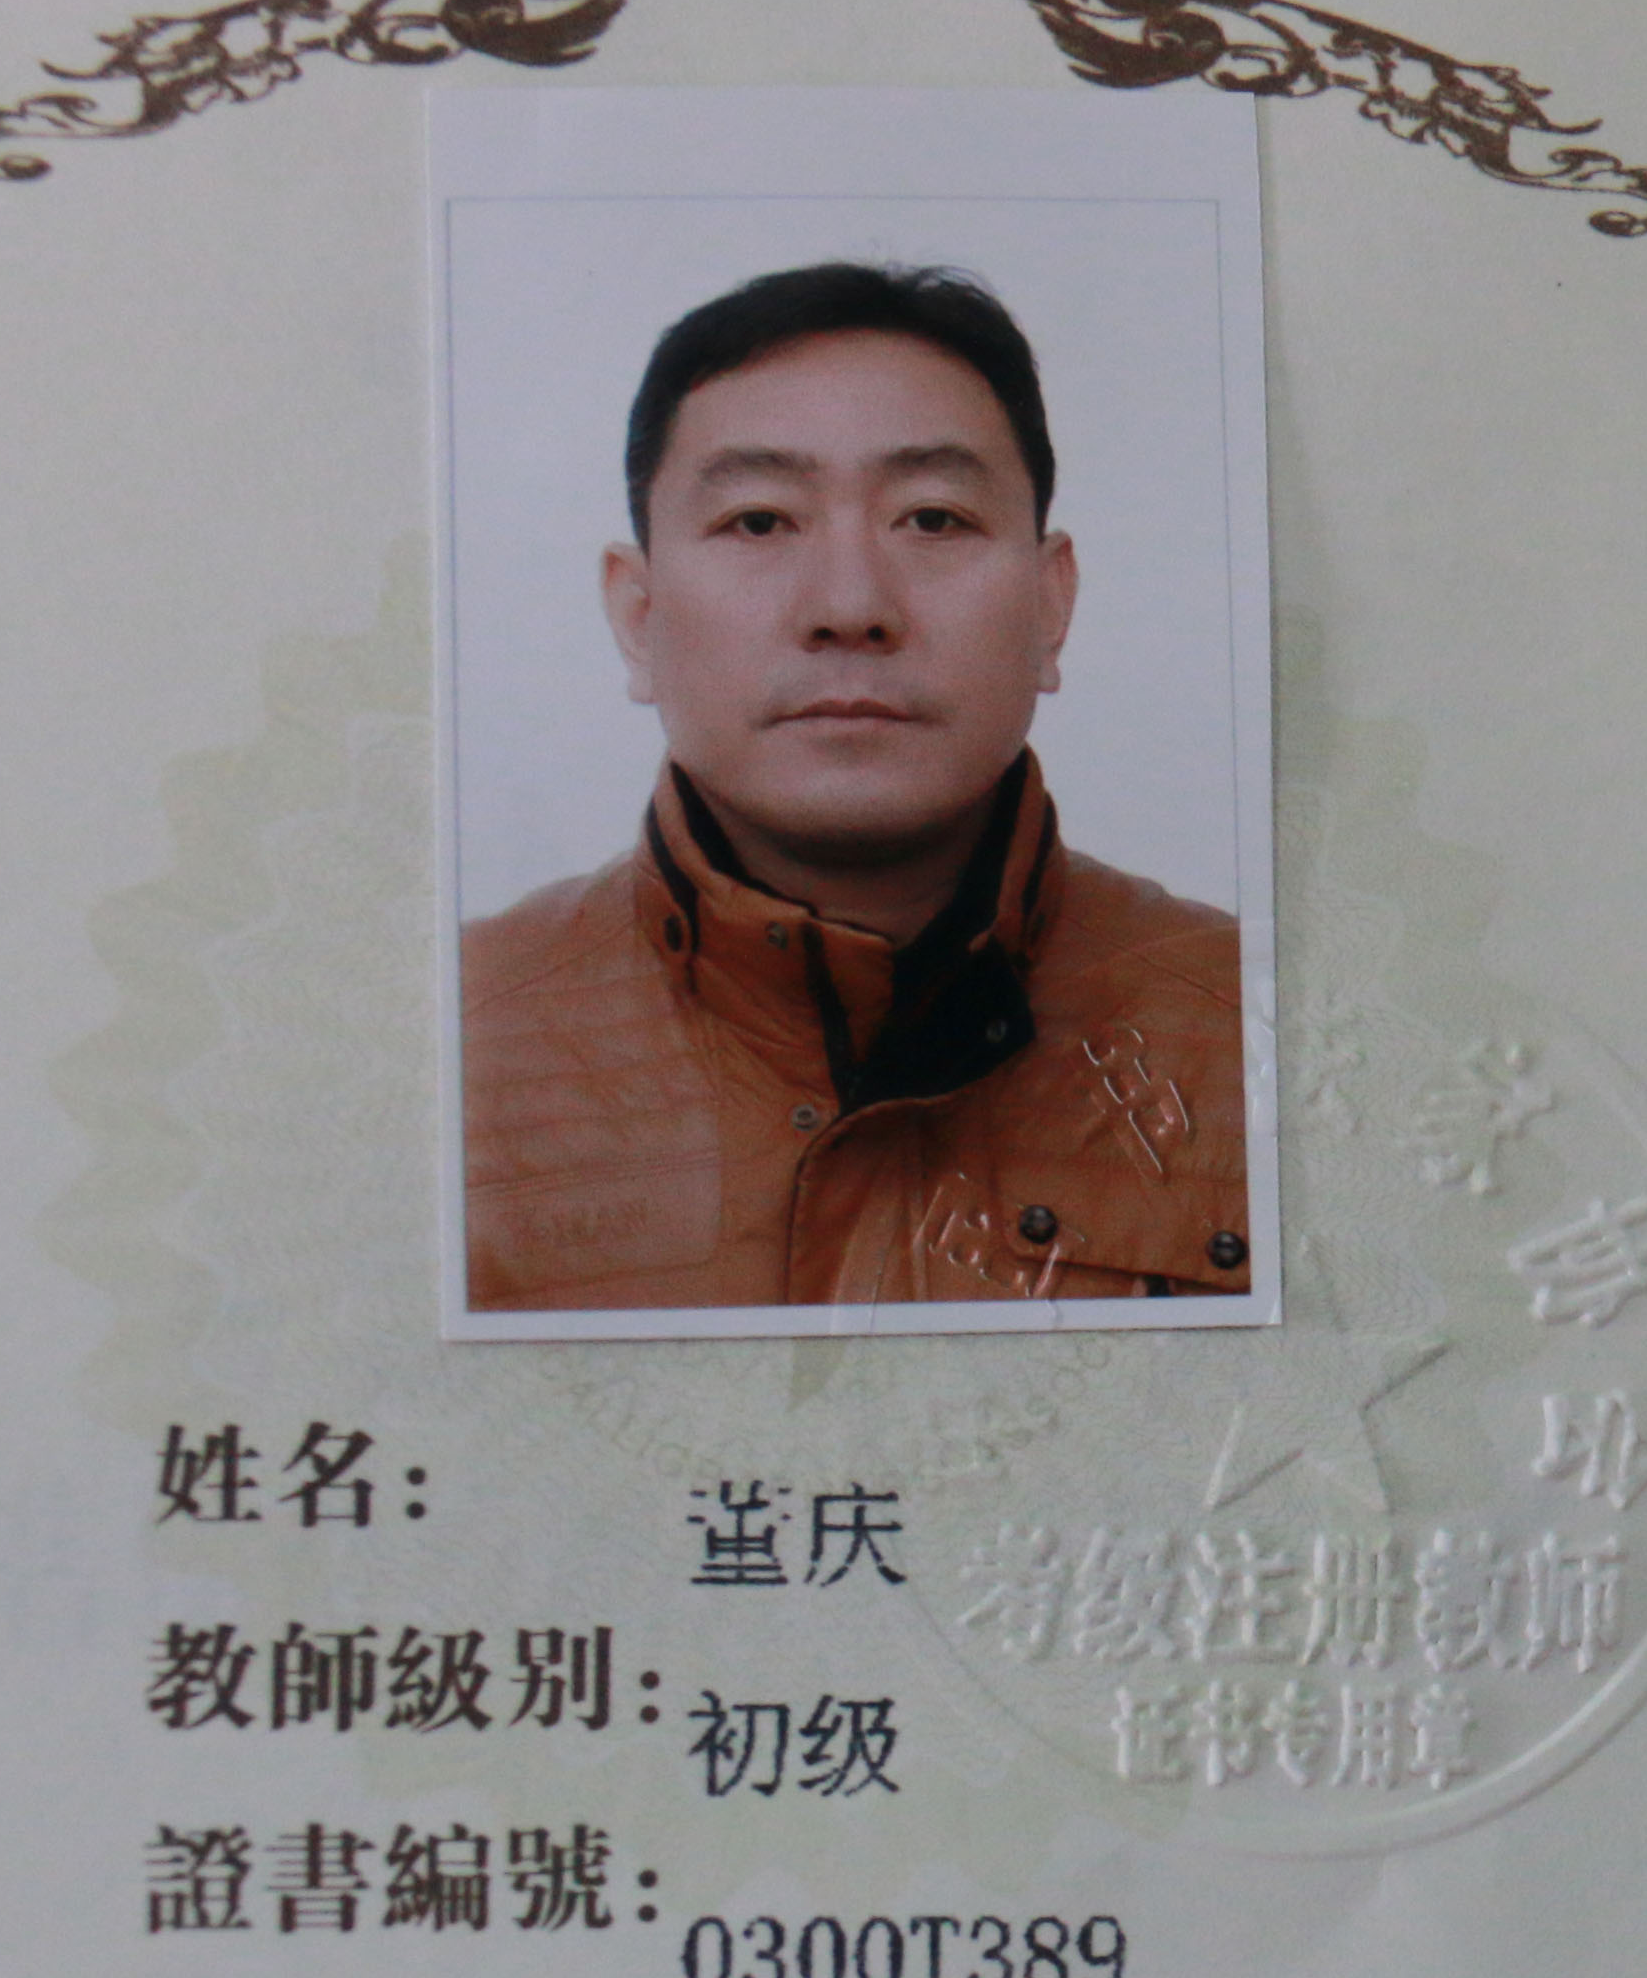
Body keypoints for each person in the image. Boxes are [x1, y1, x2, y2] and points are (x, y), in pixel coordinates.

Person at [461, 261, 1251, 1310]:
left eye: (932, 519)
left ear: (1050, 606)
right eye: (759, 521)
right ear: (638, 615)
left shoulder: (1268, 1028)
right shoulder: (444, 1038)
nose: (848, 607)